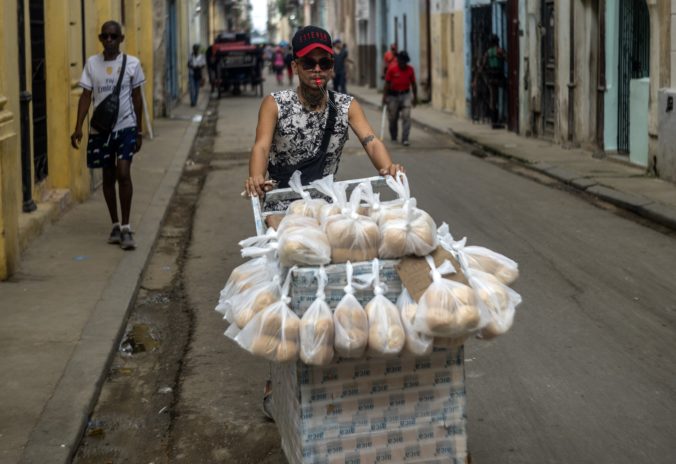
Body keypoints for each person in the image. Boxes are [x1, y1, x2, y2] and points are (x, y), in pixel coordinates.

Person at [245, 25, 404, 209]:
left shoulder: (346, 106)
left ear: (331, 68)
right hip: (281, 208)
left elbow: (372, 142)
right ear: (295, 67)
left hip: (327, 207)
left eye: (324, 63)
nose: (317, 69)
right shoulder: (275, 104)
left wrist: (389, 168)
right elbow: (262, 147)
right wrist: (256, 176)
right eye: (308, 63)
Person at [70, 20, 145, 250]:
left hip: (126, 127)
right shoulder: (92, 64)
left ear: (121, 39)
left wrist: (139, 130)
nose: (109, 40)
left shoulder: (132, 64)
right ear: (101, 39)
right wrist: (78, 127)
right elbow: (85, 96)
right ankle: (114, 224)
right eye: (105, 36)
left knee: (123, 172)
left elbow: (137, 98)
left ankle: (126, 227)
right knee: (108, 175)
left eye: (114, 36)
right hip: (100, 130)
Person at [382, 50, 417, 146]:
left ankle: (405, 138)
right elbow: (387, 84)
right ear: (398, 61)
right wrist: (384, 98)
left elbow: (413, 84)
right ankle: (394, 136)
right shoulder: (392, 69)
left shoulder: (410, 70)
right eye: (401, 62)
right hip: (393, 96)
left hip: (405, 95)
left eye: (404, 62)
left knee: (406, 117)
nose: (402, 64)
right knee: (393, 117)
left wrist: (415, 98)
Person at [481, 34, 506, 129]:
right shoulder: (499, 51)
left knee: (493, 99)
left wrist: (485, 78)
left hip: (491, 78)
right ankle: (499, 120)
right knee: (503, 96)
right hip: (499, 76)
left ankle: (494, 122)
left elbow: (482, 66)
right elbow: (507, 59)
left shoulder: (488, 53)